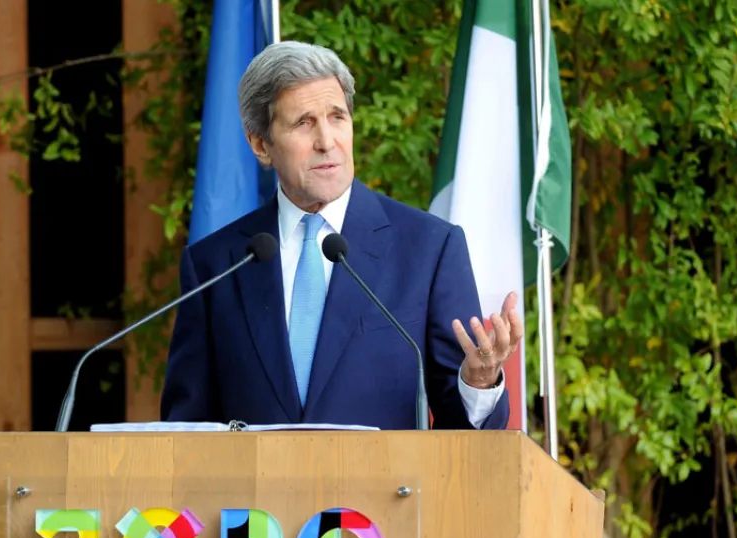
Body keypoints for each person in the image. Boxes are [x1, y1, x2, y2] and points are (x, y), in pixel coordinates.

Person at [160, 41, 522, 431]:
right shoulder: (214, 264)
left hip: (385, 491)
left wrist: (479, 382)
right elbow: (186, 430)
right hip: (253, 492)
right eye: (304, 123)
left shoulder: (429, 249)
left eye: (337, 117)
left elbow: (462, 433)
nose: (327, 141)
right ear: (260, 144)